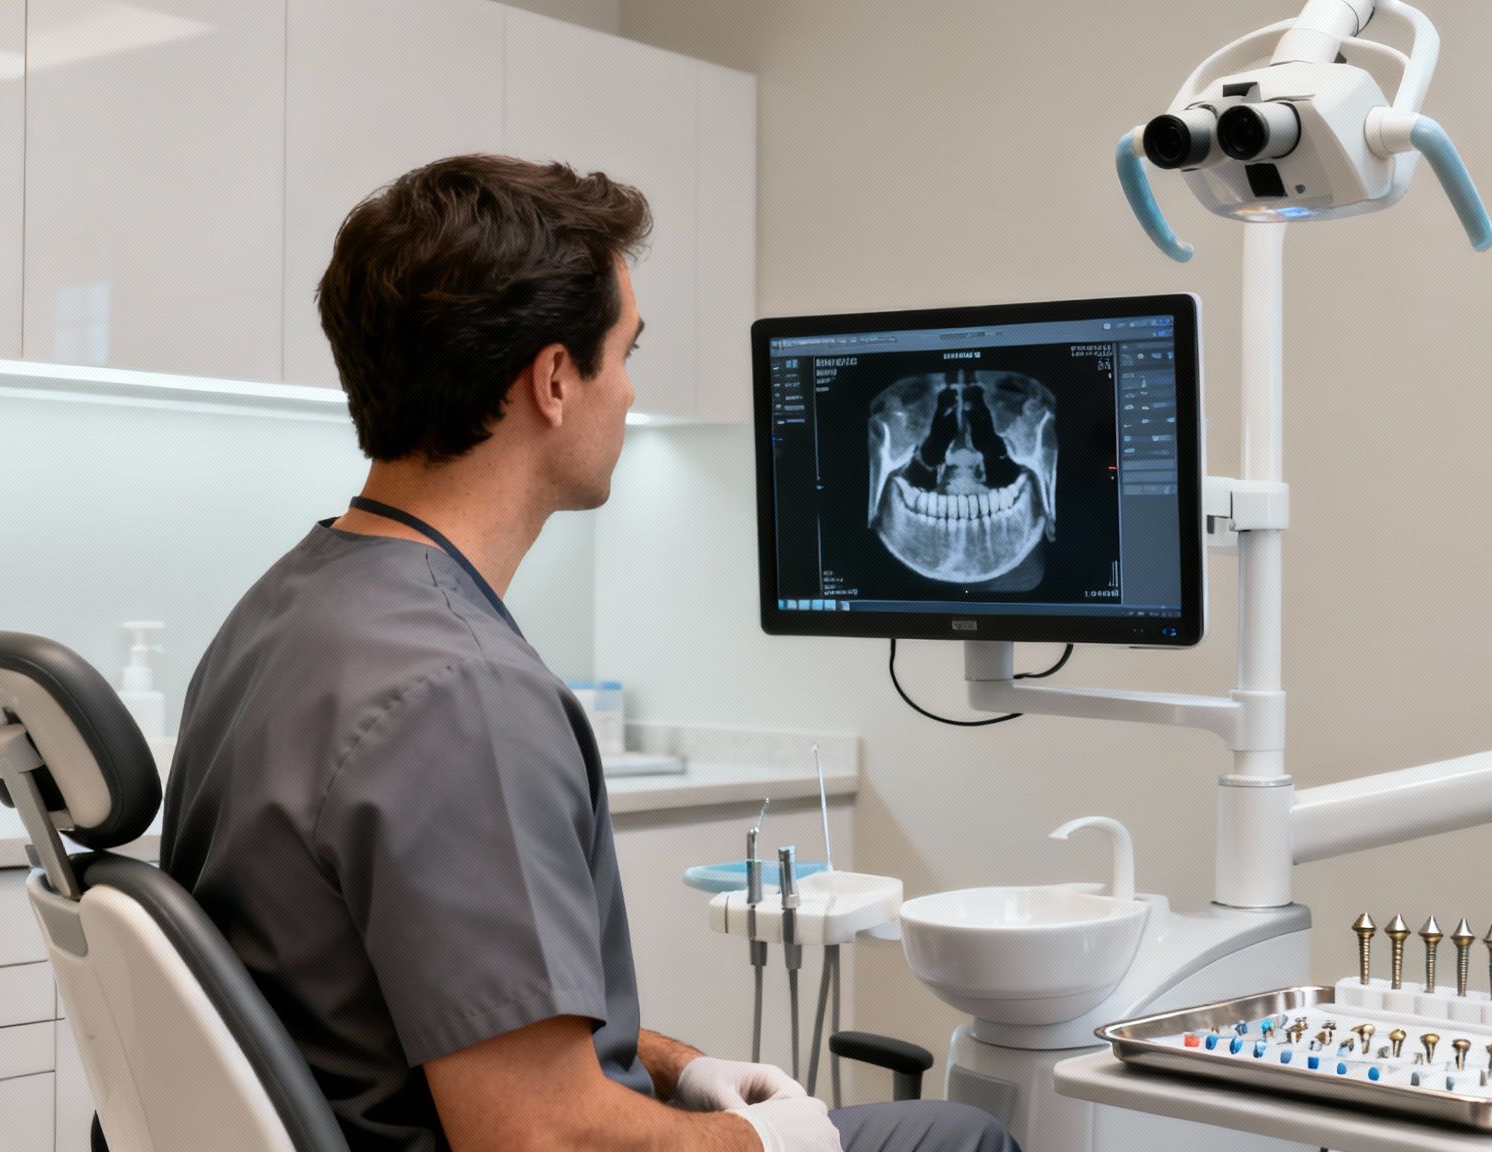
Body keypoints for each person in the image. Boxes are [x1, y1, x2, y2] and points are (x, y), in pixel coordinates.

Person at [160, 154, 1019, 1152]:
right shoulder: (465, 695)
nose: (630, 389)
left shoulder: (281, 612)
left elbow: (420, 1008)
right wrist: (767, 1143)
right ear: (556, 380)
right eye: (625, 353)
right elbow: (543, 1140)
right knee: (959, 1135)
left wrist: (677, 1068)